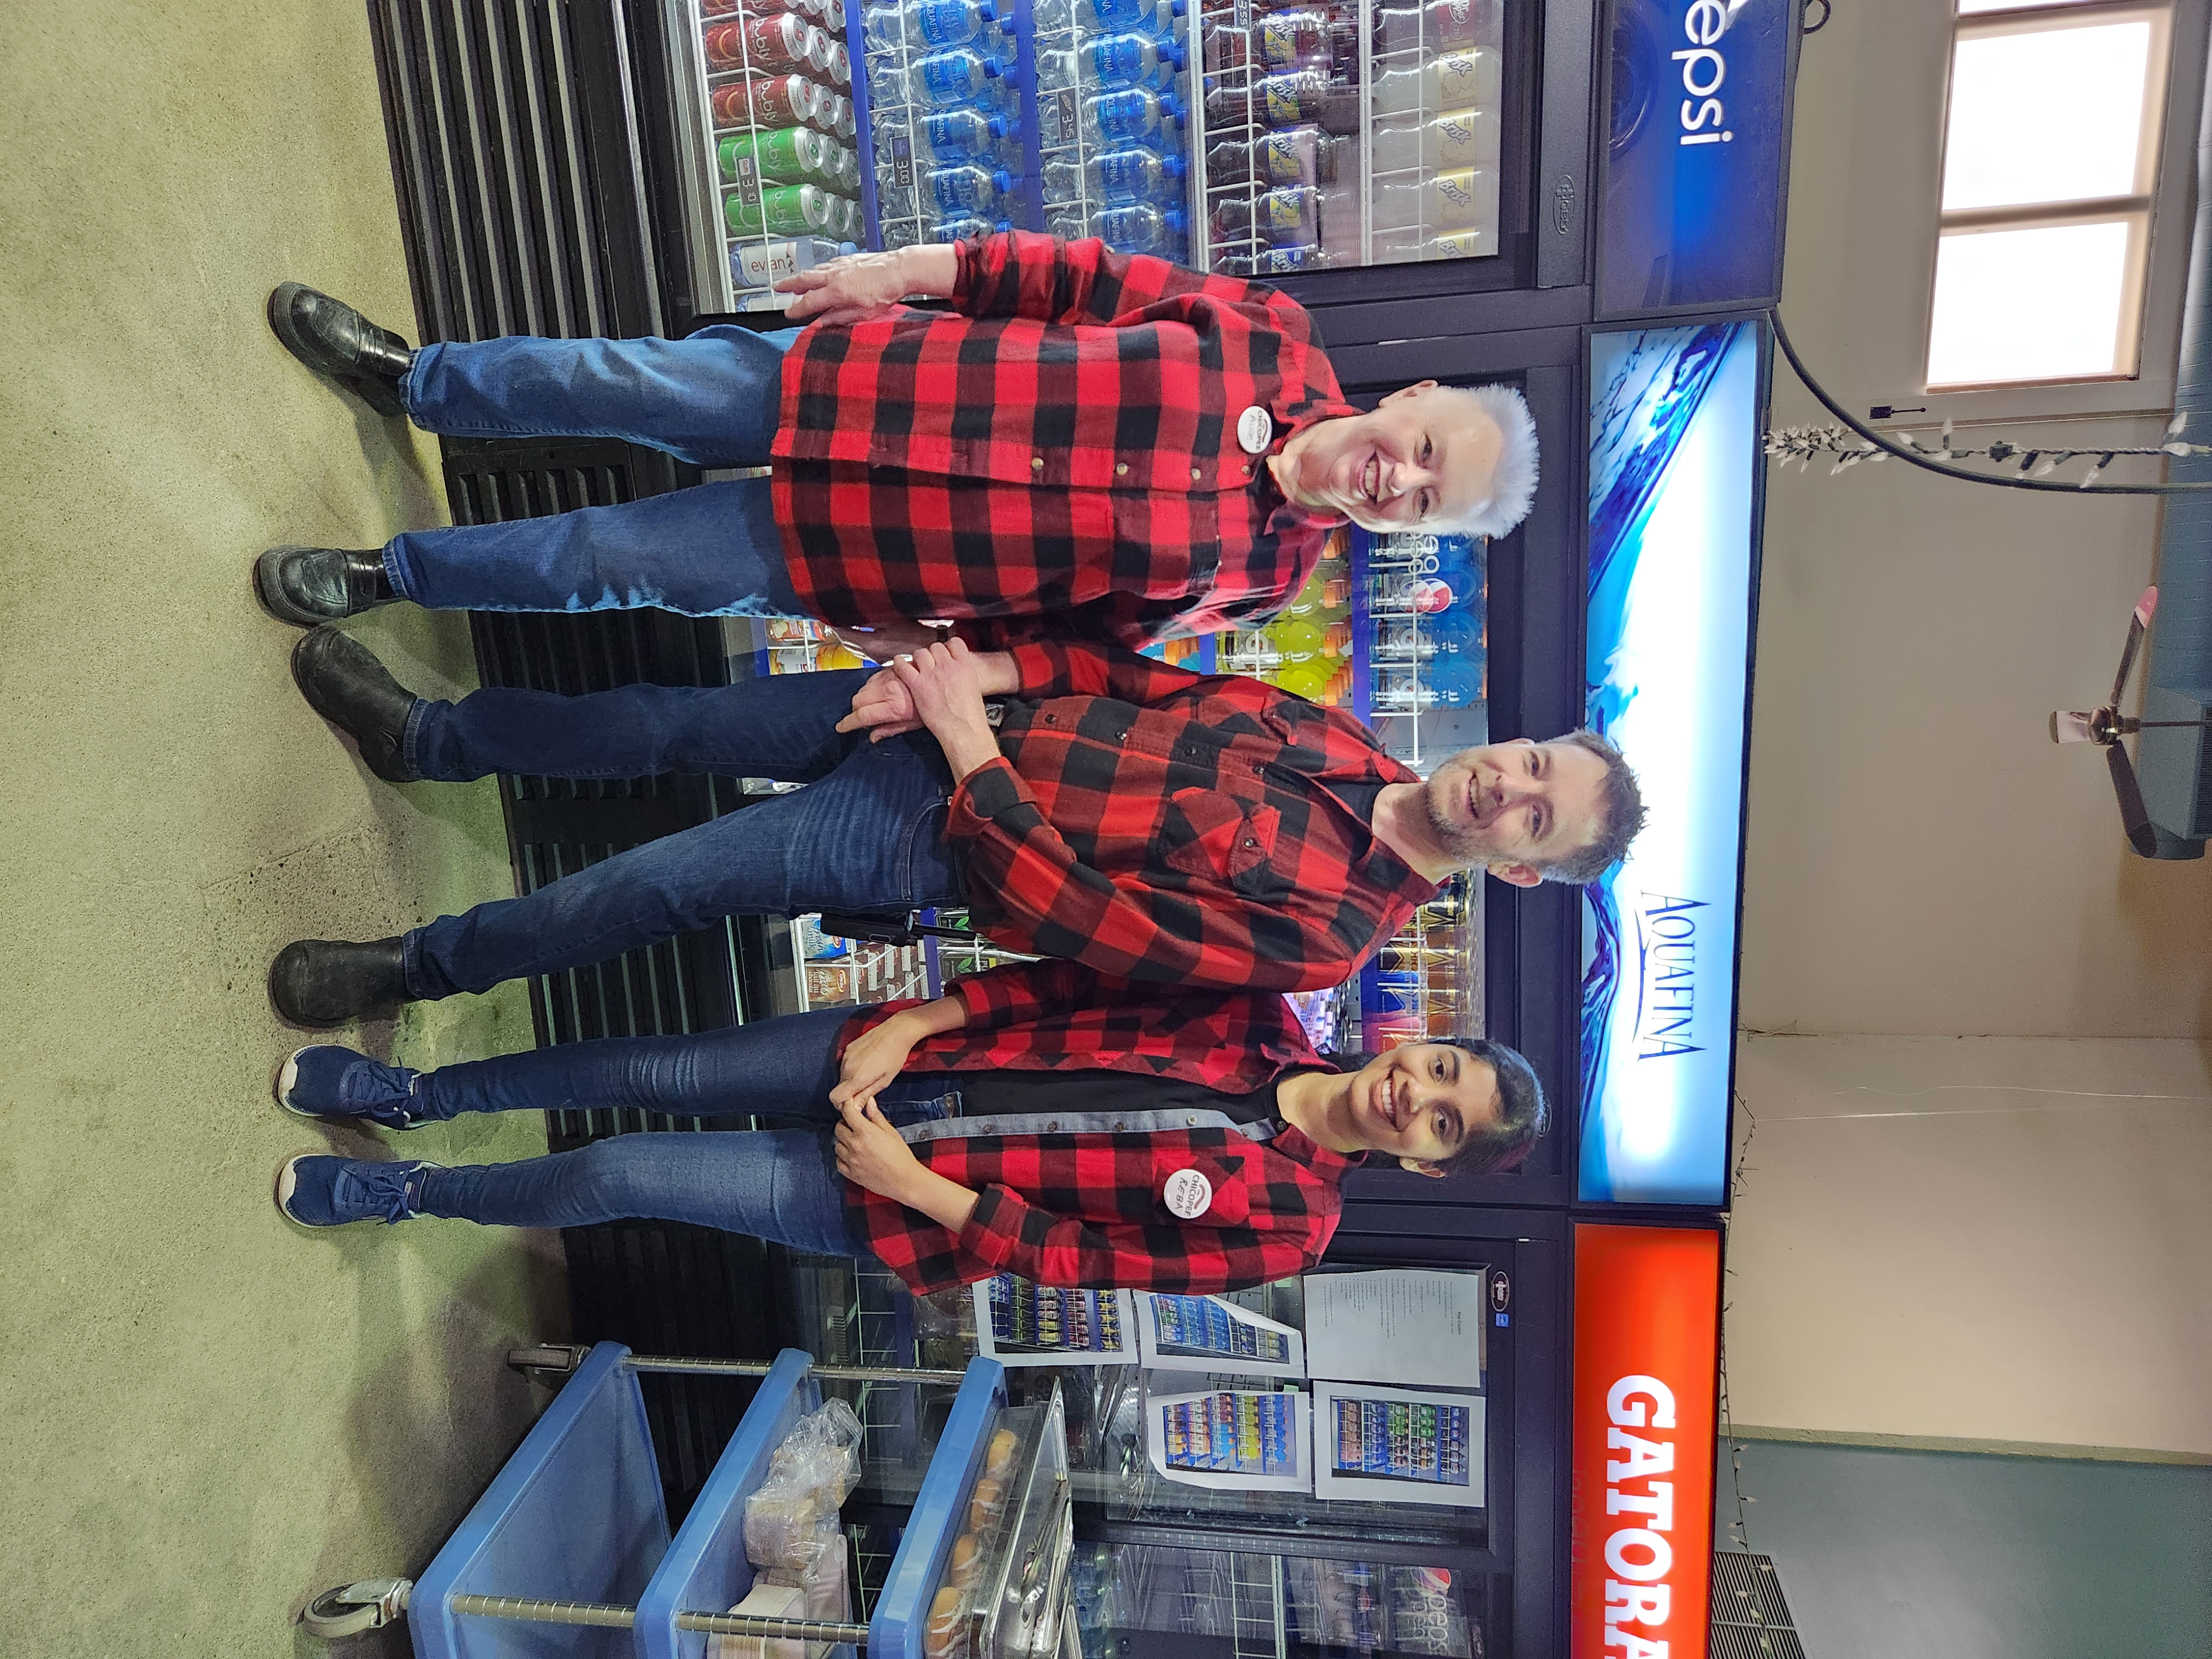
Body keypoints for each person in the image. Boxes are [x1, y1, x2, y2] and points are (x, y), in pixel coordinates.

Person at [269, 630, 1645, 1025]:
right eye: (1531, 762)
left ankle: (417, 968)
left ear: (1523, 874)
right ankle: (427, 738)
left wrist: (972, 753)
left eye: (1534, 817)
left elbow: (1091, 924)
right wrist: (971, 676)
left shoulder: (1332, 936)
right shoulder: (1336, 735)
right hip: (947, 712)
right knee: (665, 718)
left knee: (653, 884)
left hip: (928, 836)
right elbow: (1131, 681)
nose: (1504, 786)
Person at [254, 231, 1541, 654]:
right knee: (621, 378)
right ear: (1417, 395)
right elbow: (1070, 277)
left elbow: (1072, 641)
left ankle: (391, 575)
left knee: (608, 560)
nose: (1401, 478)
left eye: (1427, 500)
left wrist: (918, 645)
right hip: (869, 383)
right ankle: (416, 379)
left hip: (860, 559)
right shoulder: (1268, 329)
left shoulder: (1261, 583)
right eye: (1427, 447)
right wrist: (902, 271)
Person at [271, 958, 1548, 1296]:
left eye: (1442, 1122)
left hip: (887, 1199)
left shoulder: (1290, 1227)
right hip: (896, 1058)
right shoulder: (1256, 1011)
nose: (1416, 1094)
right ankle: (412, 1094)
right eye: (1439, 1069)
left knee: (615, 1171)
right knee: (653, 1063)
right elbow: (1060, 988)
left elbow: (1082, 1262)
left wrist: (909, 1181)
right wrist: (918, 1023)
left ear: (1426, 1160)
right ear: (1419, 1041)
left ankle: (406, 1192)